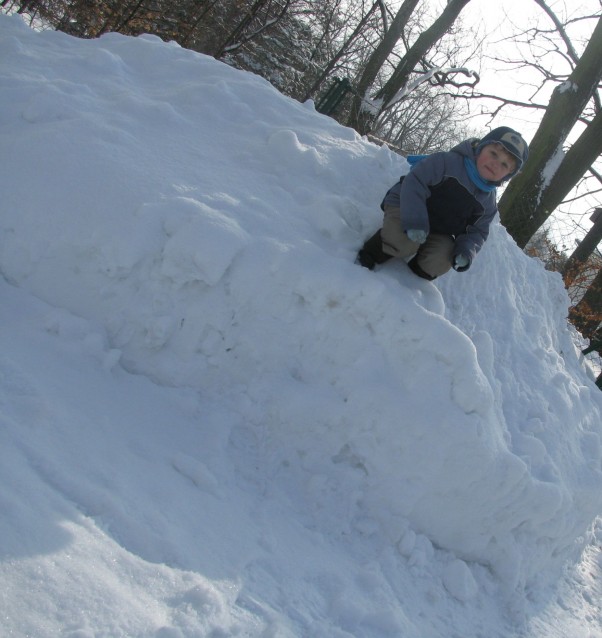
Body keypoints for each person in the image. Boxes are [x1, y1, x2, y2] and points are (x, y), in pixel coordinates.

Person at [356, 126, 529, 280]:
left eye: (505, 164)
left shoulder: (487, 203)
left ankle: (411, 280)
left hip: (439, 229)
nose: (495, 164)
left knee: (441, 259)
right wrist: (415, 221)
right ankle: (372, 253)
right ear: (480, 147)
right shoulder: (447, 162)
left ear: (507, 176)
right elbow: (415, 183)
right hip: (405, 206)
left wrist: (466, 252)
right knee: (403, 240)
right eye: (493, 154)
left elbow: (477, 232)